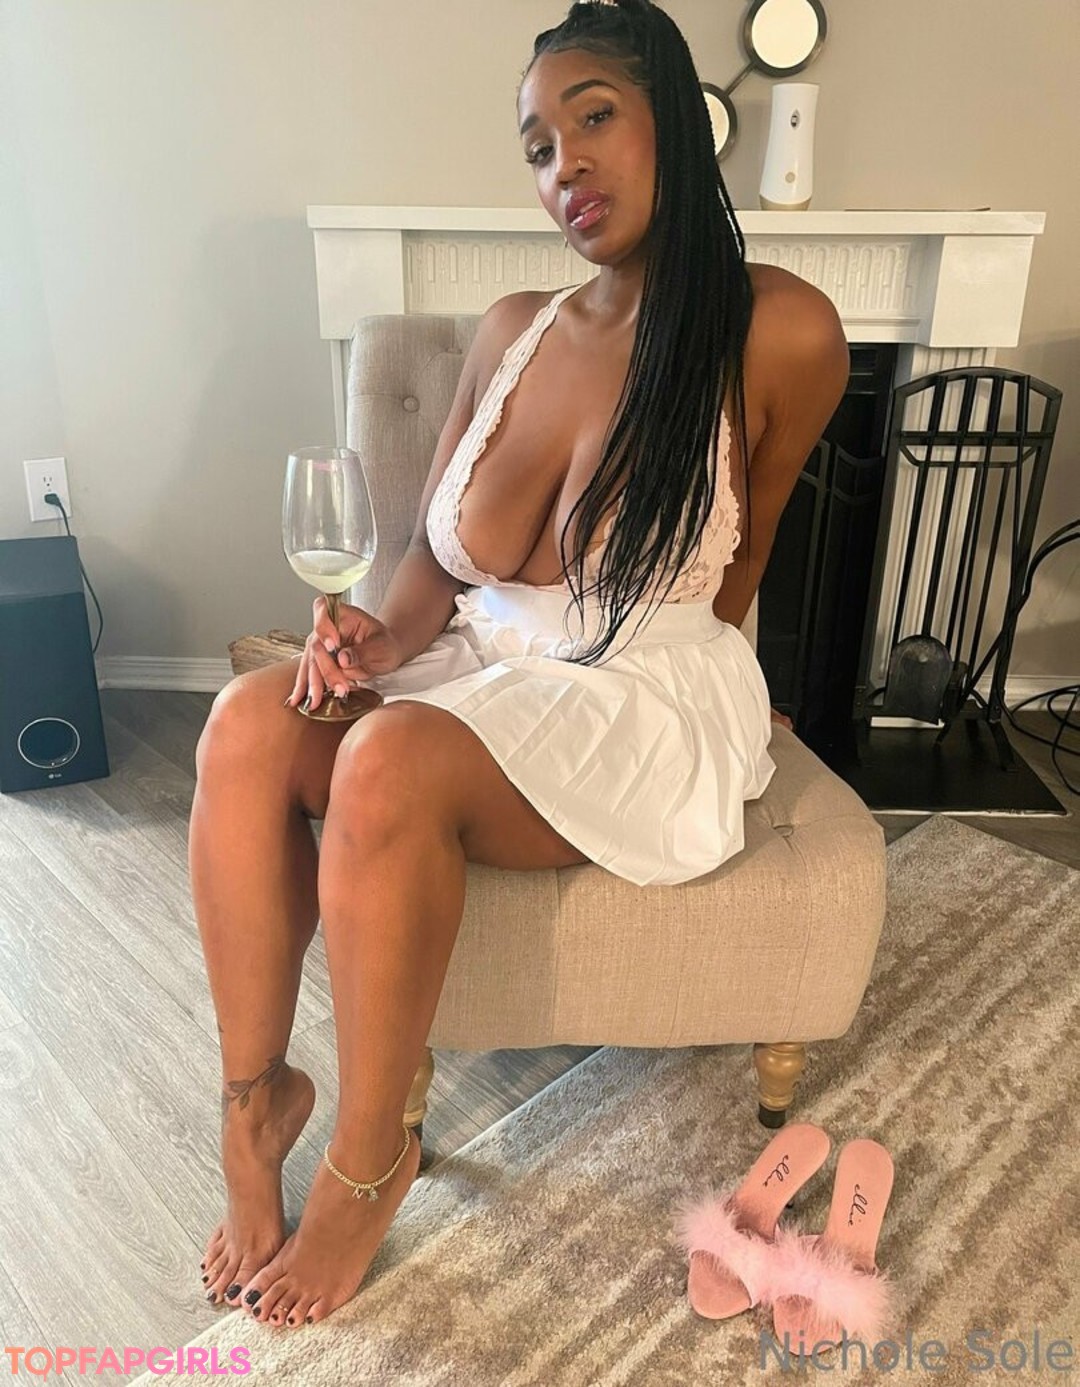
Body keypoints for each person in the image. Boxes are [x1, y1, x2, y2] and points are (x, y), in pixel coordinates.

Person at [191, 0, 848, 1329]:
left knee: (387, 758)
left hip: (634, 684)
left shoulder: (779, 328)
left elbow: (749, 550)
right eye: (539, 146)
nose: (564, 166)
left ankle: (368, 1161)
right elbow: (431, 570)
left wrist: (744, 698)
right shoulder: (512, 330)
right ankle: (257, 1107)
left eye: (594, 116)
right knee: (249, 722)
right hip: (481, 663)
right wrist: (376, 636)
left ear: (675, 118)